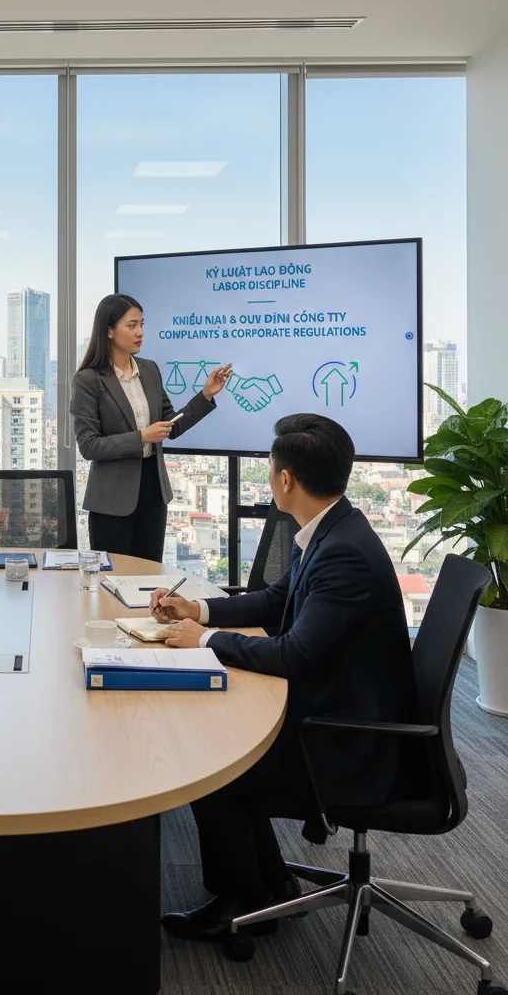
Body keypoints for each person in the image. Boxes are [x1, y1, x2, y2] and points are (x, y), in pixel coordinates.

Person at [149, 414, 416, 942]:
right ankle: (270, 887)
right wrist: (197, 610)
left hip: (349, 739)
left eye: (269, 471)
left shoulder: (343, 554)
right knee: (221, 743)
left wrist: (199, 641)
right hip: (336, 708)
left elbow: (294, 655)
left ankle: (241, 902)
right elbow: (276, 600)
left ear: (286, 479)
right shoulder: (331, 526)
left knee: (214, 768)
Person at [70, 294, 232, 561]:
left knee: (148, 575)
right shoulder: (88, 380)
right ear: (109, 331)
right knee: (114, 578)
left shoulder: (149, 369)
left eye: (142, 324)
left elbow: (171, 426)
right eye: (132, 326)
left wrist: (205, 395)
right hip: (112, 499)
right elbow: (89, 446)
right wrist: (142, 437)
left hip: (153, 492)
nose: (140, 332)